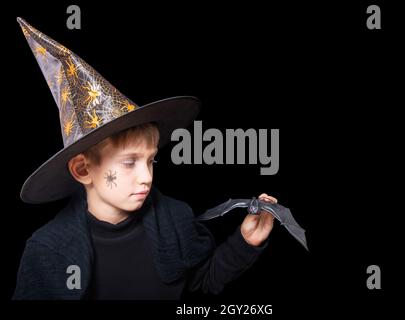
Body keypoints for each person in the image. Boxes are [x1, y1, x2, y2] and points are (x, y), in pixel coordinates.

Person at [13, 18, 277, 300]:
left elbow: (201, 282)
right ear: (82, 169)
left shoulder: (175, 219)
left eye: (150, 161)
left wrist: (245, 243)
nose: (146, 177)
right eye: (129, 162)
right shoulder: (48, 250)